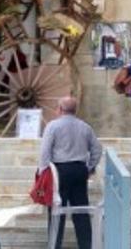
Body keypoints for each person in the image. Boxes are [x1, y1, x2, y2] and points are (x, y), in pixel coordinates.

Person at [38, 97, 103, 249]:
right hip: (80, 169)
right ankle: (86, 245)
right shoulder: (85, 127)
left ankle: (55, 245)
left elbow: (45, 151)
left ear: (60, 109)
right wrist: (90, 167)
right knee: (81, 211)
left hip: (59, 171)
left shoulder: (52, 126)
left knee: (56, 210)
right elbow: (97, 149)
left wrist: (43, 171)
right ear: (75, 110)